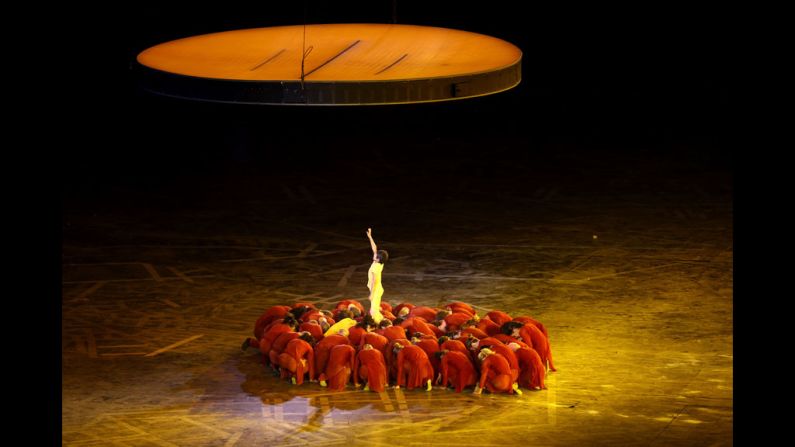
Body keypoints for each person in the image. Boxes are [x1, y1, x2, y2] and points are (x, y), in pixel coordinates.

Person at [366, 228, 388, 324]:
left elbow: (375, 282)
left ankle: (380, 324)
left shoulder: (376, 268)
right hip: (376, 289)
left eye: (377, 255)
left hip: (376, 290)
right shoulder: (378, 262)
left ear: (378, 259)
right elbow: (374, 248)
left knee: (373, 311)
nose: (375, 254)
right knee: (374, 309)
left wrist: (371, 294)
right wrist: (370, 236)